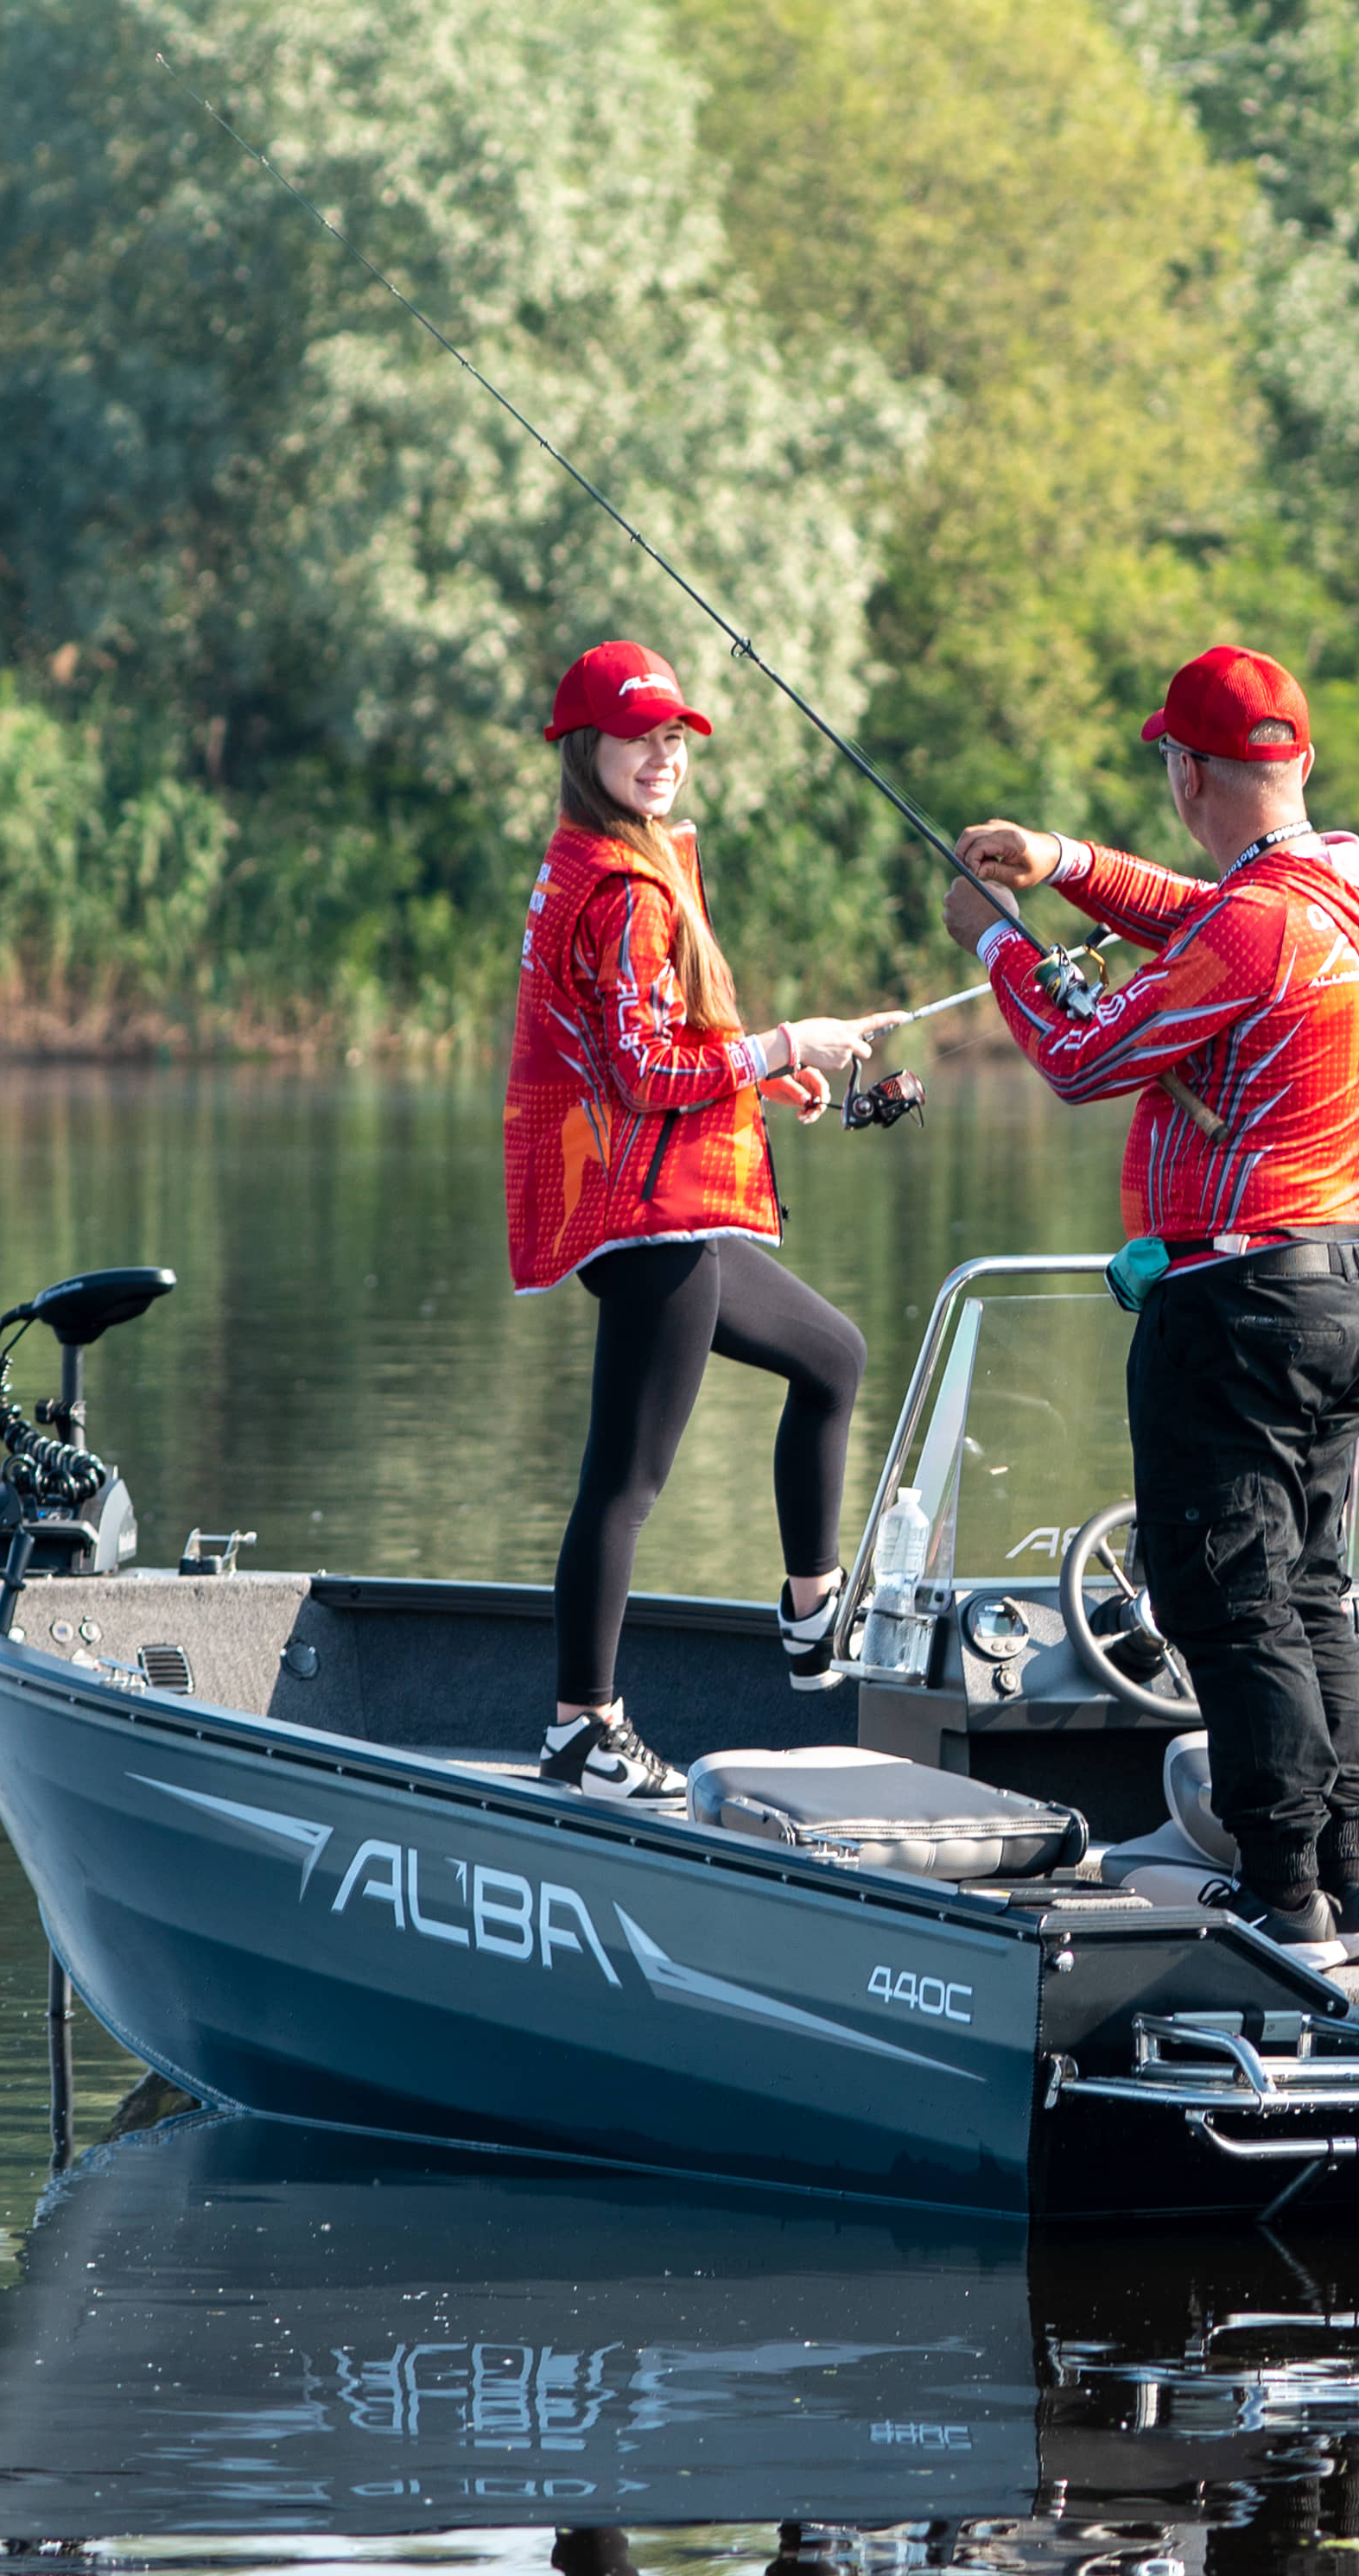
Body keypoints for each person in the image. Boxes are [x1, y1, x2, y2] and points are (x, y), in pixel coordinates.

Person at [947, 644, 1359, 1965]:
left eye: (1171, 759)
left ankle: (1281, 1897)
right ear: (1302, 760)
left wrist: (993, 938)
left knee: (1229, 1600)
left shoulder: (1256, 926)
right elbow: (1204, 921)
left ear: (1189, 774)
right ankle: (1347, 1889)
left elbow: (1081, 1054)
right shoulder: (1350, 892)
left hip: (1236, 1304)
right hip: (1340, 1290)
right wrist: (1065, 862)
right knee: (1312, 1591)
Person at [506, 638, 896, 1796]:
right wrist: (782, 1044)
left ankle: (812, 1615)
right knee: (624, 1482)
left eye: (674, 738)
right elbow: (637, 1073)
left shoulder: (608, 859)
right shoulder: (625, 889)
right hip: (644, 1213)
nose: (663, 756)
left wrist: (763, 1078)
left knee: (832, 1357)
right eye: (639, 740)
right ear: (586, 750)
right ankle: (581, 1728)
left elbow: (640, 1045)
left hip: (660, 1196)